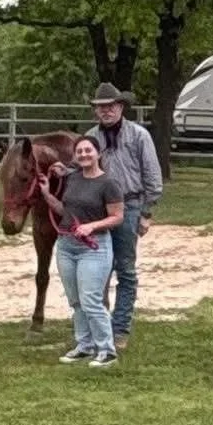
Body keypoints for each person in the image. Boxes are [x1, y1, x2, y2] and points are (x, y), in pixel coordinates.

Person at [82, 82, 164, 351]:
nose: (106, 111)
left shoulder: (139, 135)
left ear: (120, 107)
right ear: (95, 111)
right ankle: (101, 326)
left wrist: (146, 212)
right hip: (98, 209)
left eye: (111, 106)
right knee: (98, 269)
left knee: (125, 269)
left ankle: (120, 328)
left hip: (129, 205)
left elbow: (152, 176)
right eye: (101, 107)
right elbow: (81, 169)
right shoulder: (90, 137)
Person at [45, 135, 127, 367]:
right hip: (67, 246)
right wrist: (46, 194)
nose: (83, 155)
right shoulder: (73, 179)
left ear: (98, 153)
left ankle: (107, 350)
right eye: (79, 151)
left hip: (94, 247)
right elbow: (65, 210)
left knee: (91, 300)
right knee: (76, 301)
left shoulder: (108, 183)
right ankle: (85, 345)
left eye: (88, 150)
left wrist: (92, 226)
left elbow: (117, 217)